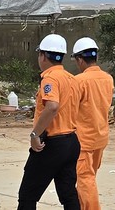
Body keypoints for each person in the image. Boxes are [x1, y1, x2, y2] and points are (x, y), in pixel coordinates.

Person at [17, 34, 80, 210]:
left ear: (43, 56)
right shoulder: (72, 79)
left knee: (27, 195)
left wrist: (35, 134)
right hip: (71, 142)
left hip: (52, 144)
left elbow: (52, 106)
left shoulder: (50, 78)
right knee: (68, 195)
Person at [70, 37, 114, 210]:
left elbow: (71, 109)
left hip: (83, 140)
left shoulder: (79, 81)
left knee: (85, 180)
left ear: (80, 59)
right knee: (89, 178)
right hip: (100, 137)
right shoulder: (108, 79)